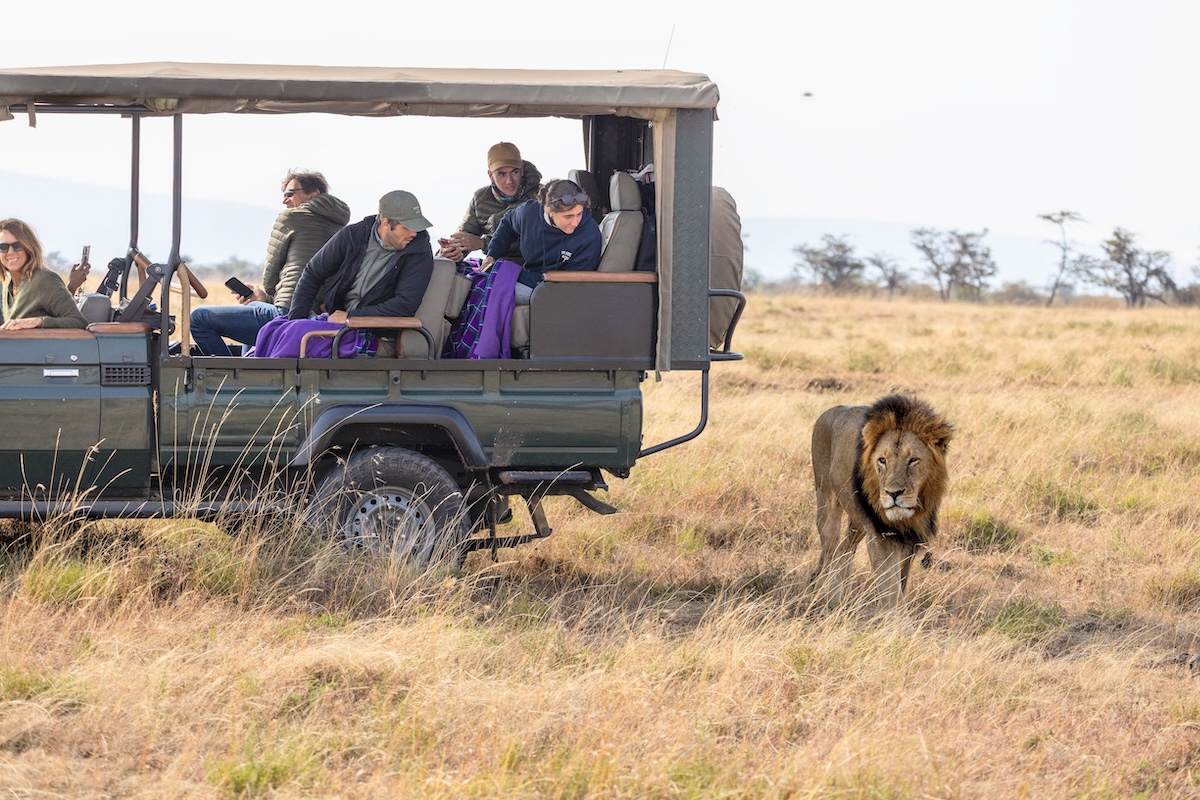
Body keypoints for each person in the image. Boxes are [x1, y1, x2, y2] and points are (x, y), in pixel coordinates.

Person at [254, 190, 434, 358]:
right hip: (338, 321)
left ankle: (269, 384)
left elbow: (404, 305)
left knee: (295, 334)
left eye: (416, 226)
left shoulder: (419, 251)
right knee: (272, 328)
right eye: (407, 227)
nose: (414, 232)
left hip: (373, 331)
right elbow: (313, 272)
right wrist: (296, 319)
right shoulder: (353, 235)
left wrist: (351, 317)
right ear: (386, 223)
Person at [189, 170, 351, 355]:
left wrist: (266, 296)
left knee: (198, 319)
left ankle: (233, 378)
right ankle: (251, 367)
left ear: (313, 193)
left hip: (289, 313)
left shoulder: (291, 217)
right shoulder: (342, 226)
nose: (285, 200)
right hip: (320, 317)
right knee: (253, 306)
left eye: (290, 193)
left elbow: (271, 273)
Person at [478, 179, 602, 304]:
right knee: (476, 281)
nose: (575, 222)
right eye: (568, 216)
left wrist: (515, 276)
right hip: (528, 278)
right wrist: (492, 255)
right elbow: (507, 223)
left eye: (579, 214)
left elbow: (573, 285)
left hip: (557, 292)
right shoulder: (529, 213)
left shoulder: (590, 235)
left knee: (489, 291)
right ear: (550, 211)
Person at [437, 141, 542, 263]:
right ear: (490, 175)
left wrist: (484, 244)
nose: (509, 181)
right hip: (495, 268)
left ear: (522, 171)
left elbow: (542, 243)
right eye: (501, 174)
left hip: (535, 270)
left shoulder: (541, 197)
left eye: (514, 172)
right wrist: (450, 252)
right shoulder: (480, 198)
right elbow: (464, 236)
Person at [0, 219, 87, 330]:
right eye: (3, 247)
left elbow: (78, 321)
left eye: (17, 245)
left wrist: (40, 321)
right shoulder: (7, 282)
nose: (10, 252)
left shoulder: (44, 279)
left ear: (28, 247)